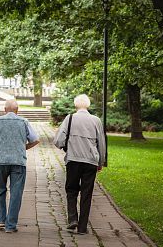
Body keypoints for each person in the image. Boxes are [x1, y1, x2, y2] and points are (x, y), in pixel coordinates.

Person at [54, 94, 106, 235]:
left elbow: (59, 141)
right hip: (90, 162)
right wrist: (101, 162)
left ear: (75, 105)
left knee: (71, 190)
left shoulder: (70, 118)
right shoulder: (96, 120)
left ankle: (72, 219)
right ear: (88, 105)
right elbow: (101, 143)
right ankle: (82, 227)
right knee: (86, 193)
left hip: (73, 160)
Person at [0, 99, 40, 233]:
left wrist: (0, 147)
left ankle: (0, 221)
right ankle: (11, 225)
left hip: (0, 161)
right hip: (18, 161)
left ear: (4, 110)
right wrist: (24, 148)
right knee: (16, 193)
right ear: (17, 110)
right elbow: (36, 139)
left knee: (0, 190)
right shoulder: (23, 122)